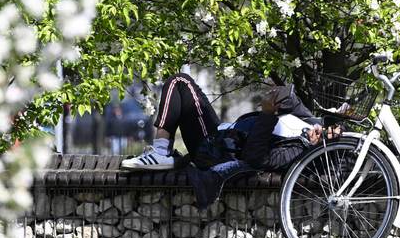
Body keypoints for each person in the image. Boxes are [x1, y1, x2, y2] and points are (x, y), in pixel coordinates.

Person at [121, 74, 334, 208]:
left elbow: (256, 157)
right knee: (180, 82)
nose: (321, 132)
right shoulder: (311, 123)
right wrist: (281, 93)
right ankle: (162, 151)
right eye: (328, 129)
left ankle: (160, 152)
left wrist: (267, 115)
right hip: (222, 132)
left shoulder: (298, 151)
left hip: (214, 147)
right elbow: (295, 103)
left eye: (326, 137)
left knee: (180, 82)